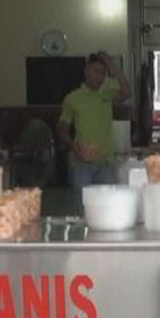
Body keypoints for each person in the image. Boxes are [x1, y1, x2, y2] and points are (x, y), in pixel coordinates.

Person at [57, 52, 131, 204]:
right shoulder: (72, 99)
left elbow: (126, 92)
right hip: (81, 165)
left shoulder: (106, 95)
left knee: (108, 206)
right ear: (86, 71)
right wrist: (73, 145)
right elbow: (62, 128)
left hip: (106, 163)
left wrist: (113, 68)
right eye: (95, 71)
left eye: (103, 73)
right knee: (84, 209)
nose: (99, 77)